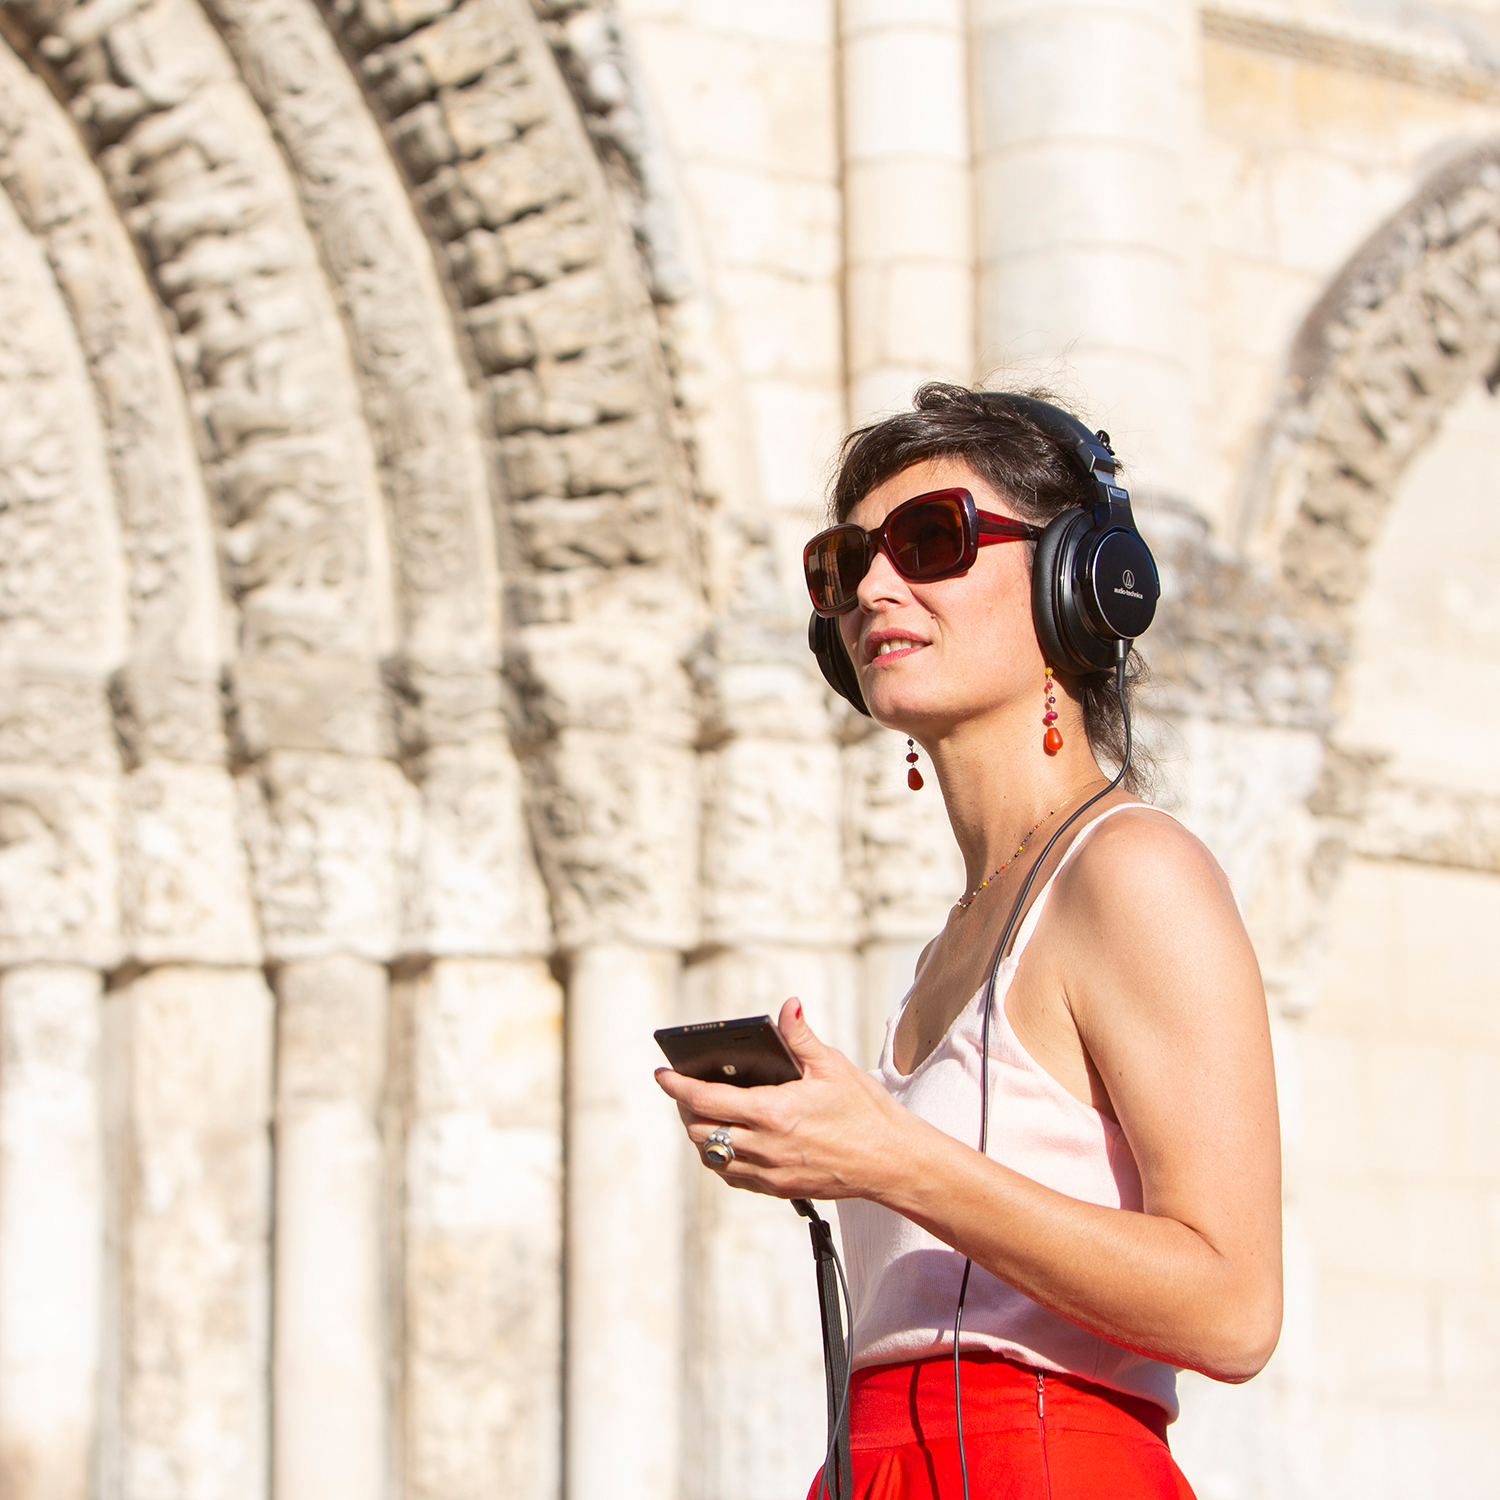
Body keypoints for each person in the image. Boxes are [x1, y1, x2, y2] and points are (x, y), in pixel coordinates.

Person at [655, 385, 1282, 1500]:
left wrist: (890, 1157)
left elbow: (1234, 1309)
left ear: (1077, 582)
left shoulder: (1133, 869)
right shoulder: (960, 931)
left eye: (933, 540)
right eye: (844, 565)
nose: (876, 588)